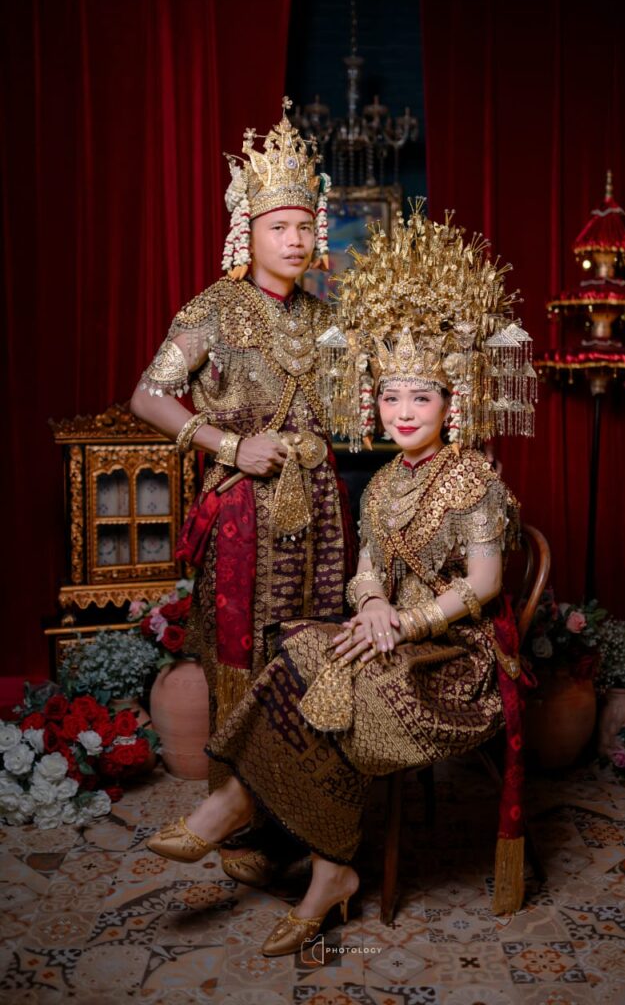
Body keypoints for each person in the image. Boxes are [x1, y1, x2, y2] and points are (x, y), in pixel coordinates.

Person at [146, 206, 537, 956]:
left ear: (451, 403)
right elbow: (367, 568)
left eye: (421, 397)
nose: (402, 412)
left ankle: (276, 834)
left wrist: (401, 619)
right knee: (298, 650)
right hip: (374, 617)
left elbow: (485, 583)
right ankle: (283, 837)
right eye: (389, 397)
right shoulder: (385, 483)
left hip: (452, 656)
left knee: (336, 683)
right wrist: (374, 602)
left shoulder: (472, 479)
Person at [130, 98, 356, 880]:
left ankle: (303, 826)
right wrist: (228, 444)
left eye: (304, 226)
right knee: (242, 658)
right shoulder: (213, 309)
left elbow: (358, 411)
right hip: (241, 514)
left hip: (318, 512)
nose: (294, 240)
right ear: (247, 232)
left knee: (307, 655)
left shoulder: (327, 319)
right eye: (278, 226)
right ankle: (239, 828)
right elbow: (148, 396)